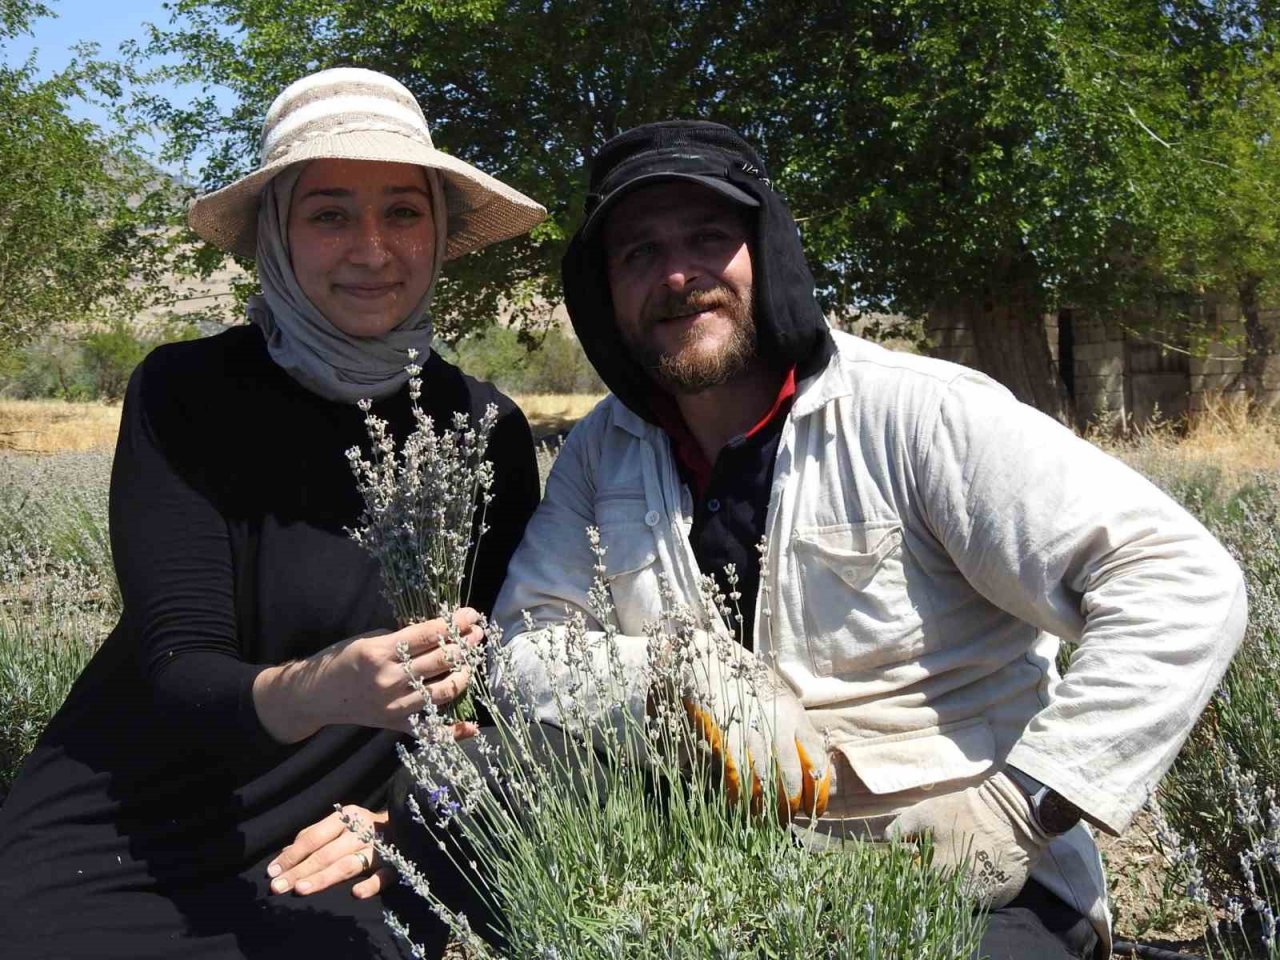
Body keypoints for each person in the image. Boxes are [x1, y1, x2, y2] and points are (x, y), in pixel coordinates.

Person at [485, 121, 1248, 958]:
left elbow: (1180, 582)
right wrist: (674, 674)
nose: (676, 275)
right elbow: (524, 650)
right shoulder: (602, 450)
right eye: (637, 253)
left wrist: (1023, 803)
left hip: (975, 873)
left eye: (710, 237)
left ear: (765, 251)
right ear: (604, 291)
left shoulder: (919, 412)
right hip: (716, 871)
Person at [0, 67, 545, 959]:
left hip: (344, 839)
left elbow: (504, 690)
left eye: (403, 212)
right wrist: (322, 687)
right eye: (330, 213)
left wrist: (414, 825)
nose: (372, 248)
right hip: (135, 826)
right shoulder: (188, 392)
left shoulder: (485, 429)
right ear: (277, 235)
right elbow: (175, 666)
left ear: (441, 233)